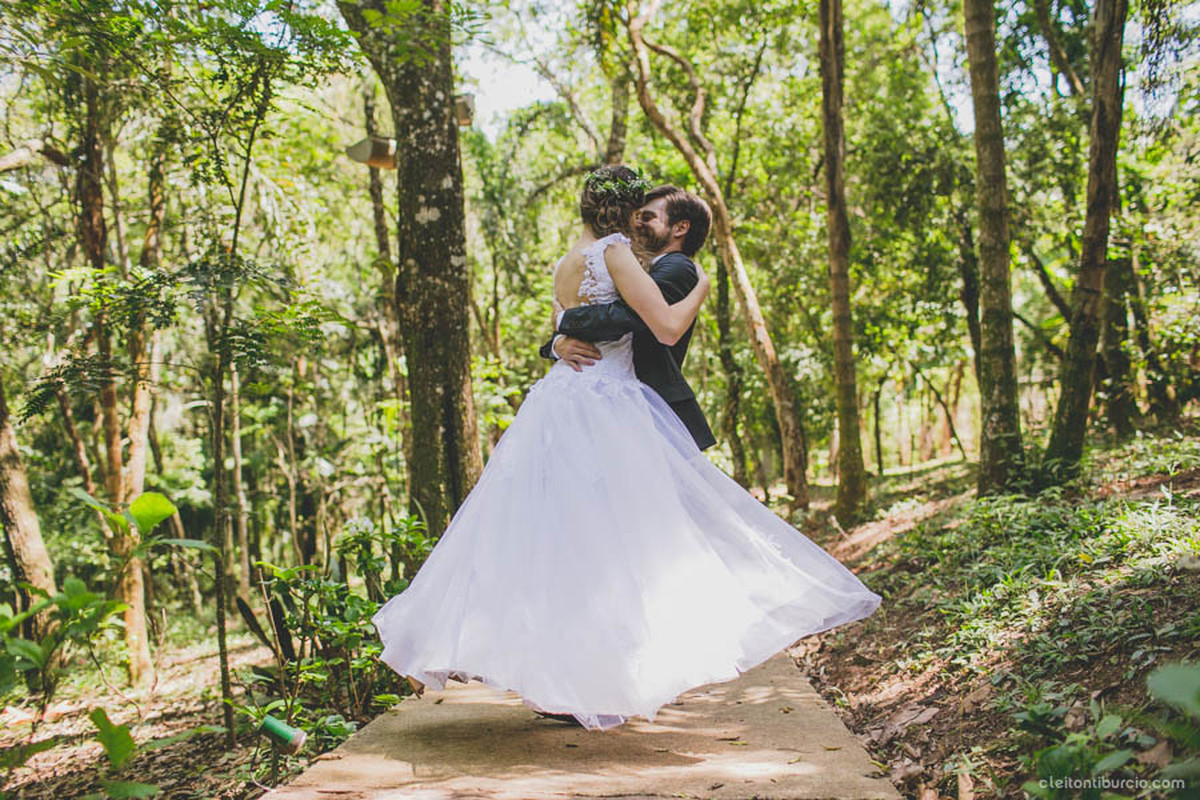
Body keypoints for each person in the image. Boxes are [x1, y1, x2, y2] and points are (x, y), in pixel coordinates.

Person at [371, 165, 881, 731]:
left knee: (565, 543)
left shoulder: (567, 261)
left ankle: (565, 682)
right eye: (639, 209)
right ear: (621, 211)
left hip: (557, 403)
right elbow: (662, 326)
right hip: (605, 405)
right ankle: (591, 679)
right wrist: (703, 291)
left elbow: (574, 326)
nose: (641, 221)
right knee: (618, 543)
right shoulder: (615, 253)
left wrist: (558, 340)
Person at [540, 185, 716, 452]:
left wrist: (563, 319)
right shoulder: (635, 267)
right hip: (612, 400)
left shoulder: (677, 267)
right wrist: (557, 345)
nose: (637, 222)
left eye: (648, 217)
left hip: (649, 405)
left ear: (680, 228)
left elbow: (624, 317)